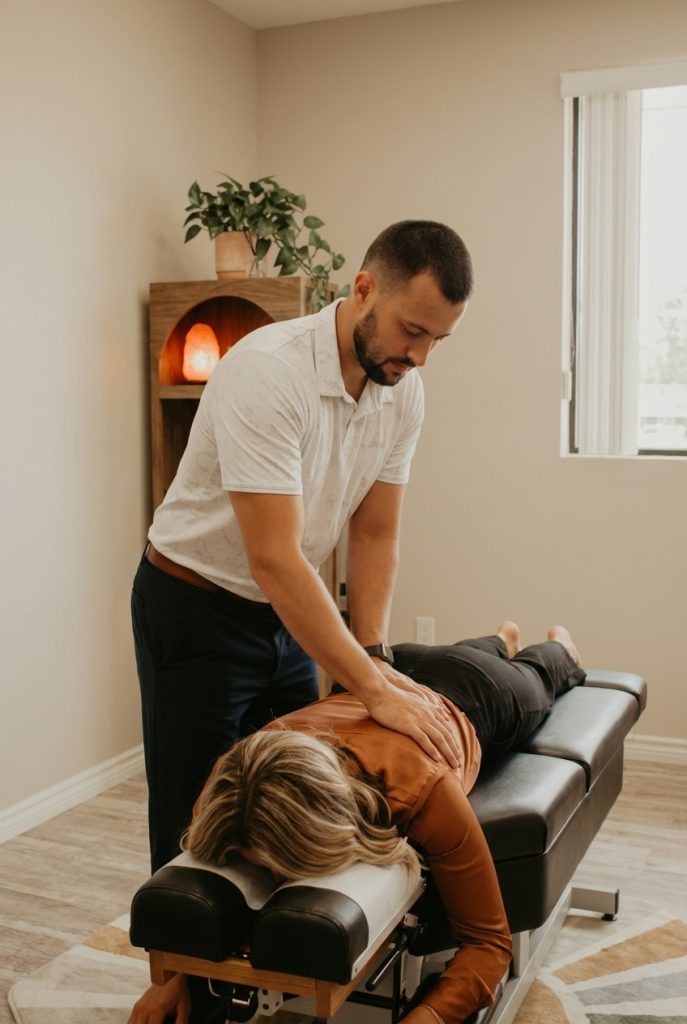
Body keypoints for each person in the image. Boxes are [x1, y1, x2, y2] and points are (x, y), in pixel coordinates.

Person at [131, 220, 473, 871]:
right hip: (193, 608)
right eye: (412, 330)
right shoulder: (267, 371)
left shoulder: (404, 393)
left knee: (296, 808)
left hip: (287, 611)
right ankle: (178, 974)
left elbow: (374, 533)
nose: (421, 355)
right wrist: (368, 687)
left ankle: (278, 966)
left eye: (437, 339)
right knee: (195, 823)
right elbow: (274, 556)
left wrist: (371, 657)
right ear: (364, 289)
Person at [127, 621, 586, 1024]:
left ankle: (554, 645)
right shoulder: (230, 789)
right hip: (389, 669)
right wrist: (170, 976)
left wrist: (427, 1017)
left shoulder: (420, 787)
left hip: (476, 693)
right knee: (468, 650)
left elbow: (489, 945)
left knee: (540, 676)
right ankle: (498, 637)